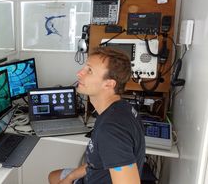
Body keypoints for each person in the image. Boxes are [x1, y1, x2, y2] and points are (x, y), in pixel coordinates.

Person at [48, 47, 145, 184]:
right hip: (94, 175)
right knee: (54, 176)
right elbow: (96, 161)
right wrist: (69, 178)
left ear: (109, 84)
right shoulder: (121, 108)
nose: (79, 73)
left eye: (89, 71)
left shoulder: (111, 130)